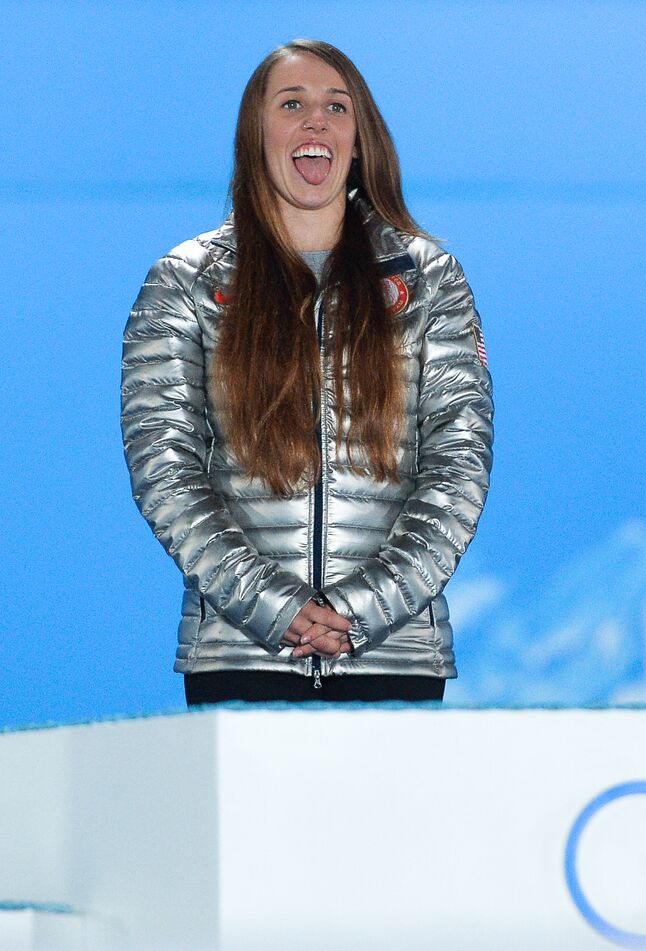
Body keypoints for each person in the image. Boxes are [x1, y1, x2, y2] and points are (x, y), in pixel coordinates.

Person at [119, 39, 494, 708]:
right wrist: (276, 609)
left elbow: (458, 466)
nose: (315, 122)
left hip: (396, 657)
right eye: (292, 104)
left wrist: (360, 611)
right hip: (238, 657)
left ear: (360, 139)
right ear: (254, 135)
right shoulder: (184, 283)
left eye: (336, 107)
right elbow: (165, 471)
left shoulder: (430, 280)